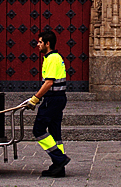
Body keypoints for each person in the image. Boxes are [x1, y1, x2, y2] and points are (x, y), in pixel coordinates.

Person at [21, 30, 70, 178]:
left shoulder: (53, 58)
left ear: (47, 44)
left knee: (39, 130)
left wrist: (35, 99)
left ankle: (60, 159)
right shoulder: (52, 57)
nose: (38, 44)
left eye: (40, 42)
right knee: (55, 133)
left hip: (52, 100)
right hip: (57, 99)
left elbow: (48, 82)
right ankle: (58, 167)